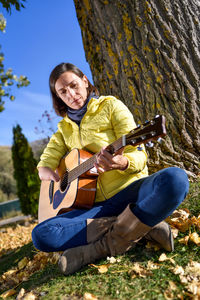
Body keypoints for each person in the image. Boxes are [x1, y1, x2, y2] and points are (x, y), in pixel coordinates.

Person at [32, 62, 189, 275]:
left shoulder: (110, 106)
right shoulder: (63, 129)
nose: (71, 93)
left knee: (175, 180)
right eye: (63, 91)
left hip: (132, 191)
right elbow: (49, 157)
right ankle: (141, 227)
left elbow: (140, 155)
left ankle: (102, 247)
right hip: (95, 209)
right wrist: (44, 168)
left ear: (85, 81)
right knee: (42, 234)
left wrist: (122, 163)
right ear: (58, 97)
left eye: (74, 85)